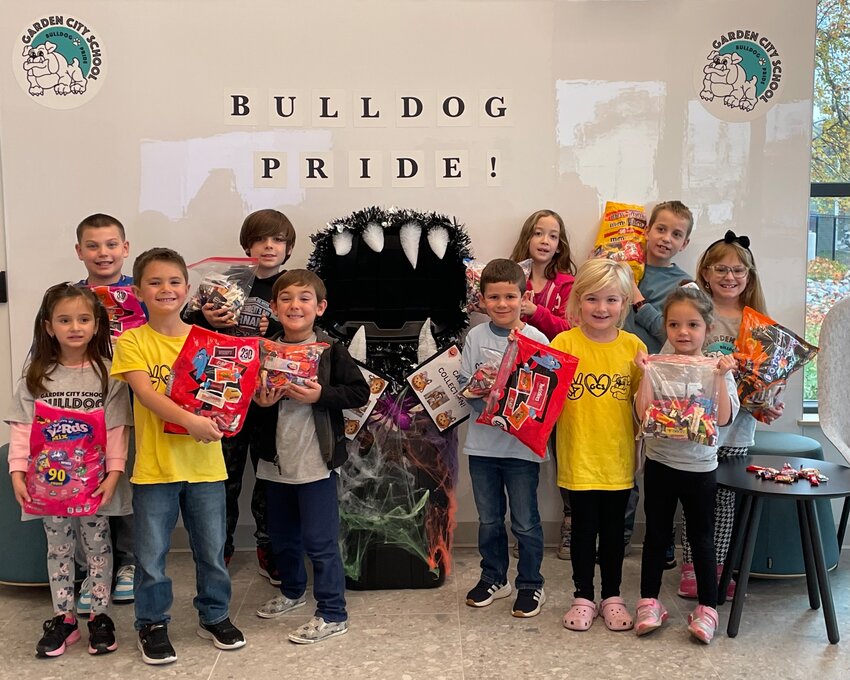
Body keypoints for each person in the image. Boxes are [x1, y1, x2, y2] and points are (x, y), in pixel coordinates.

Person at [111, 248, 246, 665]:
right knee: (150, 556)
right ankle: (151, 623)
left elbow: (226, 393)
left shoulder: (210, 341)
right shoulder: (132, 340)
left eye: (173, 282)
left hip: (206, 466)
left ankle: (215, 614)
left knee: (211, 550)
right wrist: (191, 421)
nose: (165, 289)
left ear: (187, 290)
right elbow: (147, 395)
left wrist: (229, 413)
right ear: (138, 291)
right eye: (154, 282)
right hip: (154, 470)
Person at [6, 284, 132, 657]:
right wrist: (17, 471)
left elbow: (116, 429)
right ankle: (63, 618)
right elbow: (22, 428)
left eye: (83, 319)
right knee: (58, 548)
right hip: (47, 487)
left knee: (98, 547)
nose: (74, 327)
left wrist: (114, 473)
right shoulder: (36, 374)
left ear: (97, 325)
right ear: (48, 327)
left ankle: (99, 617)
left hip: (93, 486)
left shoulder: (109, 374)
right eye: (64, 320)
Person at [252, 269, 369, 643]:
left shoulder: (331, 350)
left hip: (316, 462)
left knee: (319, 540)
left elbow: (358, 393)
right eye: (285, 298)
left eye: (304, 298)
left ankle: (333, 612)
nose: (294, 305)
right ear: (273, 307)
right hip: (274, 463)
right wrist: (260, 403)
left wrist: (321, 396)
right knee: (283, 537)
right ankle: (291, 591)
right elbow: (246, 403)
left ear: (320, 307)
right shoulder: (262, 350)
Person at [183, 209, 297, 583]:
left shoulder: (292, 286)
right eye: (261, 239)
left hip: (269, 396)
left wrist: (277, 324)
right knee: (224, 478)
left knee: (268, 478)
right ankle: (221, 549)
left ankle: (270, 547)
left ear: (288, 247)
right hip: (223, 394)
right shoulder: (223, 281)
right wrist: (206, 319)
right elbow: (185, 326)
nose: (268, 246)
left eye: (277, 240)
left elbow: (308, 332)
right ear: (246, 245)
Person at [677, 230, 783, 599]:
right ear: (705, 272)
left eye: (739, 270)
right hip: (697, 424)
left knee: (724, 500)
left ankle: (718, 566)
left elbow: (768, 378)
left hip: (738, 429)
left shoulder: (758, 323)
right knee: (695, 497)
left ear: (749, 276)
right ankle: (691, 567)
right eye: (720, 268)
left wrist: (770, 401)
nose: (730, 276)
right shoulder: (692, 314)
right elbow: (674, 361)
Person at [634, 286, 738, 644]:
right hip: (660, 462)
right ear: (665, 327)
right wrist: (645, 373)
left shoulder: (717, 369)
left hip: (700, 469)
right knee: (656, 536)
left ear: (707, 329)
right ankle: (649, 601)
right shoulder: (659, 365)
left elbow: (723, 419)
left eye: (693, 324)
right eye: (675, 324)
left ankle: (708, 607)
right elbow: (642, 414)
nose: (683, 332)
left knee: (701, 538)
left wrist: (722, 378)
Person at [551, 259, 644, 633]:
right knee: (582, 532)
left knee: (614, 534)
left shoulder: (634, 347)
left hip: (618, 460)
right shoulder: (564, 343)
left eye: (611, 300)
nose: (601, 308)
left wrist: (650, 373)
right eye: (592, 299)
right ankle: (583, 596)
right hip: (577, 457)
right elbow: (543, 398)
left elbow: (645, 407)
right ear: (577, 301)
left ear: (623, 303)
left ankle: (613, 596)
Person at [461, 259, 549, 618]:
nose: (502, 304)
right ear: (481, 300)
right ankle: (494, 578)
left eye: (510, 296)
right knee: (488, 520)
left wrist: (515, 385)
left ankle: (531, 584)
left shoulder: (537, 339)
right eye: (493, 297)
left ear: (523, 297)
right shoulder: (475, 337)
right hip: (482, 445)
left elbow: (543, 396)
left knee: (525, 521)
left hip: (522, 449)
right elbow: (466, 384)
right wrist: (486, 387)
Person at [622, 201, 694, 565]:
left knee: (657, 466)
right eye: (661, 229)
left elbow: (670, 334)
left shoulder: (684, 284)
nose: (666, 238)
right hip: (616, 377)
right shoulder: (622, 264)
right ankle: (619, 532)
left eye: (676, 233)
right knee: (620, 458)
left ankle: (660, 537)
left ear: (684, 242)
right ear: (647, 230)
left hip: (658, 385)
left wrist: (636, 299)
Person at [75, 212, 138, 604]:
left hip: (135, 402)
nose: (103, 253)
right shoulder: (67, 296)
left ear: (125, 248)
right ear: (79, 251)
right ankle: (90, 568)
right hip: (81, 406)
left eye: (111, 244)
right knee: (85, 478)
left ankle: (129, 561)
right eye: (93, 245)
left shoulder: (145, 292)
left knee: (130, 479)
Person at [509, 210, 576, 560]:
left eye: (552, 235)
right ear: (528, 237)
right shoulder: (512, 275)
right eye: (538, 233)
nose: (545, 240)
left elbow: (570, 329)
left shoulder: (566, 283)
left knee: (565, 452)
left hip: (557, 379)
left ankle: (570, 524)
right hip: (521, 379)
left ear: (560, 244)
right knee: (524, 453)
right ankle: (525, 526)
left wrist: (537, 313)